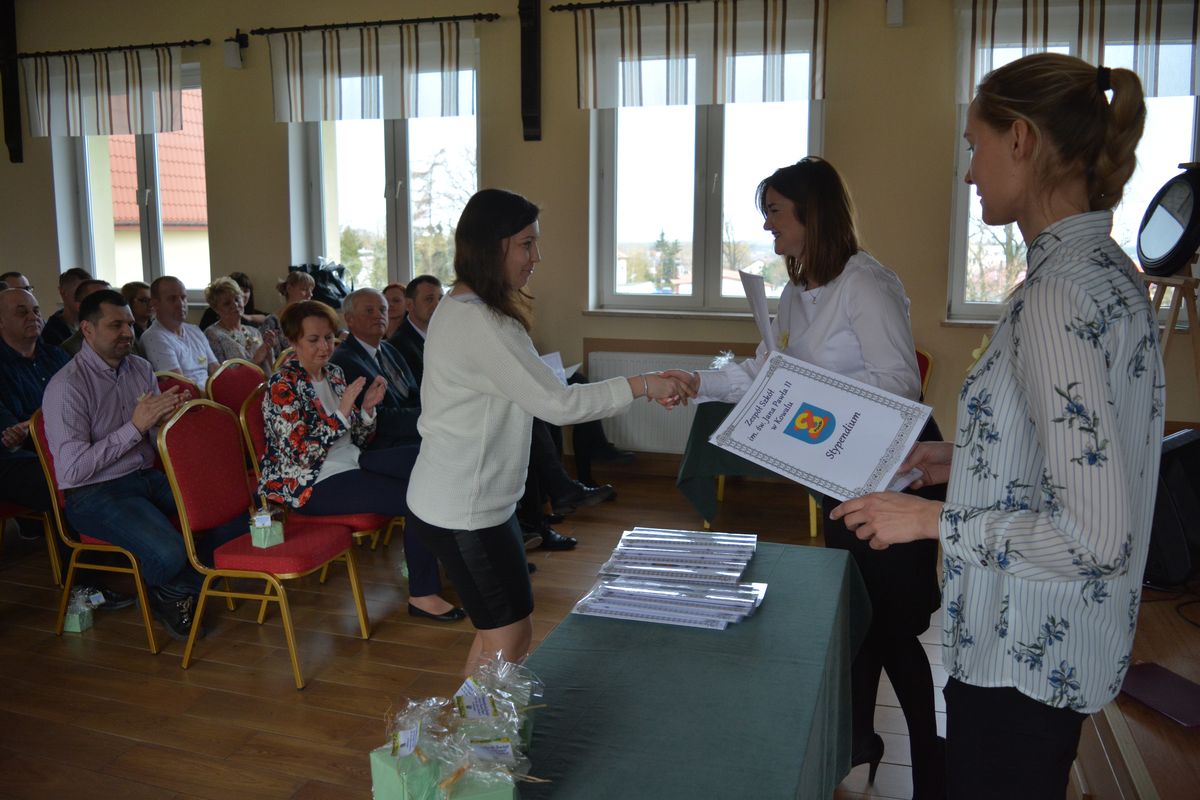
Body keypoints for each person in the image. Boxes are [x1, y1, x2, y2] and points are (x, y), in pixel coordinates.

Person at [831, 54, 1162, 799]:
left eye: (974, 146)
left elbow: (1094, 536)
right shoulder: (1104, 271)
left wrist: (929, 520)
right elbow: (1086, 452)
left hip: (1023, 658)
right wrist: (961, 457)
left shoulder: (1056, 297)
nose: (970, 173)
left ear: (1021, 140)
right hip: (1059, 646)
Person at [661, 157, 944, 797]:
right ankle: (860, 749)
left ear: (812, 215)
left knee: (893, 630)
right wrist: (697, 381)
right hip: (837, 479)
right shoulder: (793, 294)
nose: (768, 225)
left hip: (895, 477)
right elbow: (763, 371)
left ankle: (931, 767)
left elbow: (902, 383)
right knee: (857, 622)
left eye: (775, 212)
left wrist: (808, 390)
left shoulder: (865, 282)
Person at [406, 188, 693, 674]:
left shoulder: (463, 306)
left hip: (466, 502)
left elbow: (537, 394)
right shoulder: (482, 321)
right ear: (492, 245)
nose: (536, 257)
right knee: (508, 636)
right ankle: (478, 723)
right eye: (526, 244)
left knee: (500, 633)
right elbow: (558, 405)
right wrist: (643, 384)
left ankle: (474, 721)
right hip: (464, 510)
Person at [42, 290, 246, 641]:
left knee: (233, 514)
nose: (127, 332)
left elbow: (152, 440)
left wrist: (166, 421)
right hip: (93, 493)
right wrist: (135, 427)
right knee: (169, 551)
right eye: (115, 325)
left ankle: (174, 588)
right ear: (87, 330)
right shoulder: (68, 386)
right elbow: (72, 470)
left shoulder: (139, 367)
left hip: (144, 476)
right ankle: (178, 584)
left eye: (129, 324)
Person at [259, 300, 462, 621]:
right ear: (293, 341)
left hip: (352, 461)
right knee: (418, 499)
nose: (325, 347)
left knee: (432, 460)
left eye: (329, 338)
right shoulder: (282, 386)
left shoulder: (335, 374)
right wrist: (342, 413)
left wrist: (366, 410)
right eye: (313, 340)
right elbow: (302, 454)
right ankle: (423, 594)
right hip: (312, 483)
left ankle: (458, 563)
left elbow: (359, 438)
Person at [330, 288, 421, 449]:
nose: (379, 315)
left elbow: (414, 392)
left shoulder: (389, 349)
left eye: (383, 310)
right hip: (385, 444)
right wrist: (426, 417)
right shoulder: (344, 361)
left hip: (414, 429)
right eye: (369, 311)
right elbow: (379, 419)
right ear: (349, 319)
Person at [140, 276, 220, 388]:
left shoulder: (195, 330)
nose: (181, 304)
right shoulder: (154, 337)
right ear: (155, 304)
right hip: (192, 397)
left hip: (212, 393)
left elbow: (216, 371)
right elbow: (179, 385)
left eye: (183, 297)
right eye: (172, 299)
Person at [204, 276, 276, 372]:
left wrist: (268, 349)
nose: (235, 305)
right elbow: (222, 376)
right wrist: (255, 361)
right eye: (227, 303)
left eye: (237, 299)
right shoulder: (212, 335)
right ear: (216, 309)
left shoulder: (254, 332)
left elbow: (273, 370)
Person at [387, 274, 442, 386]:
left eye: (440, 299)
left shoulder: (443, 335)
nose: (437, 305)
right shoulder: (399, 345)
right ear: (409, 304)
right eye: (429, 299)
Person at [260, 270, 316, 361]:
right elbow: (271, 356)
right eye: (304, 289)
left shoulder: (310, 318)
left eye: (311, 290)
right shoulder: (272, 321)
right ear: (289, 289)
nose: (310, 294)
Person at [40, 267, 91, 347]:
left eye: (88, 293)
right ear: (63, 292)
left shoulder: (94, 322)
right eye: (79, 292)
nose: (85, 297)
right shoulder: (52, 333)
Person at [60, 279, 112, 355]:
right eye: (100, 300)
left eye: (111, 300)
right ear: (80, 306)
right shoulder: (70, 350)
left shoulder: (122, 338)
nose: (110, 306)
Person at [198, 271, 267, 330]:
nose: (242, 294)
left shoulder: (249, 312)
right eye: (227, 303)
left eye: (246, 291)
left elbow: (268, 318)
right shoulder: (211, 315)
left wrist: (249, 317)